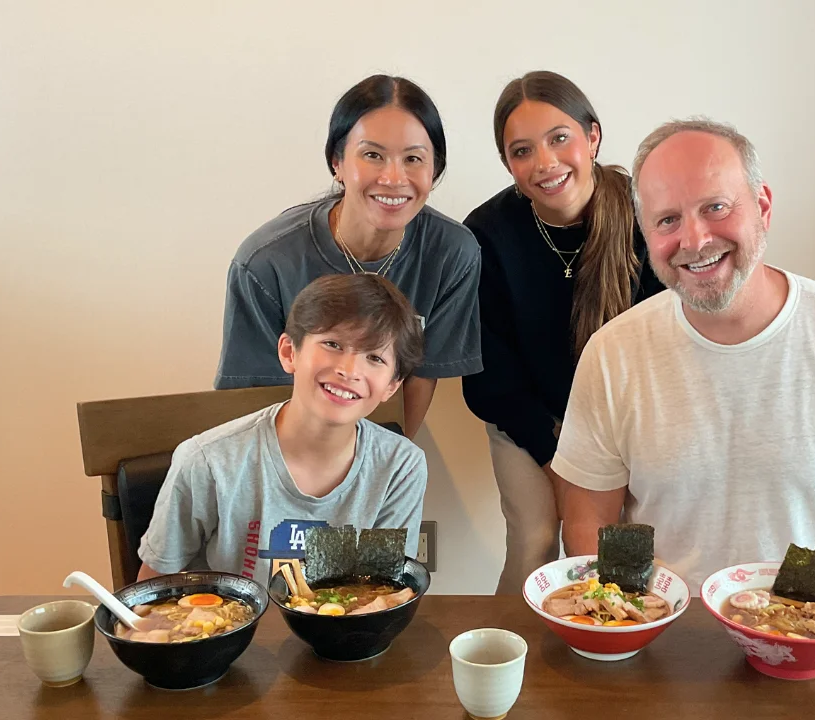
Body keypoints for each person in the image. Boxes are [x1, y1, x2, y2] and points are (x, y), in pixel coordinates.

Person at [552, 118, 815, 602]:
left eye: (715, 207)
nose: (694, 240)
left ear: (762, 207)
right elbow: (588, 521)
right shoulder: (612, 354)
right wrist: (636, 614)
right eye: (667, 220)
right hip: (663, 629)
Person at [461, 71, 665, 594]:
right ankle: (511, 643)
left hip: (627, 420)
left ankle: (624, 634)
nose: (545, 163)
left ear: (592, 137)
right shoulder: (486, 234)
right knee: (534, 541)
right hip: (530, 421)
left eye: (559, 138)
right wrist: (556, 459)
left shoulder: (648, 216)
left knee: (625, 544)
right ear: (507, 163)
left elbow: (669, 344)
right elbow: (489, 376)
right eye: (522, 151)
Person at [215, 75, 482, 438]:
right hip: (280, 449)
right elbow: (250, 401)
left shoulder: (453, 253)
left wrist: (388, 458)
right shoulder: (265, 263)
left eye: (413, 158)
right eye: (372, 155)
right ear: (337, 162)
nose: (393, 178)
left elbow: (421, 374)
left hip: (378, 446)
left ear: (434, 169)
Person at [139, 274, 428, 587]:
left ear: (391, 386)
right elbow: (151, 590)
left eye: (374, 357)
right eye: (333, 344)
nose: (349, 371)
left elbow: (381, 590)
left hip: (346, 619)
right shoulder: (207, 460)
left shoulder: (400, 465)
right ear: (290, 352)